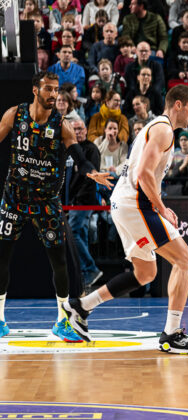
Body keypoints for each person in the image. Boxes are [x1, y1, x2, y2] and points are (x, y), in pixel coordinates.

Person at [64, 85, 188, 354]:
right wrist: (162, 207)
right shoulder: (164, 130)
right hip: (136, 204)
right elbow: (143, 174)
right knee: (185, 261)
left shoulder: (156, 128)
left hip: (126, 202)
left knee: (146, 273)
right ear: (178, 105)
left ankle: (80, 307)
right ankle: (172, 334)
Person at [0, 71, 113, 341]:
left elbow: (77, 154)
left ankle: (62, 321)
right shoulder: (14, 115)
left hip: (46, 202)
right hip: (14, 198)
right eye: (48, 89)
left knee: (59, 262)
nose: (53, 95)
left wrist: (90, 171)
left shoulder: (62, 125)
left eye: (56, 90)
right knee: (2, 257)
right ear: (35, 90)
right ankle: (0, 319)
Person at [68, 118, 104, 288]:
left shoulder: (91, 149)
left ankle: (90, 269)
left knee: (73, 232)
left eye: (81, 129)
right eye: (75, 129)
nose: (78, 132)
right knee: (80, 234)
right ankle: (84, 275)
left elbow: (91, 178)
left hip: (84, 200)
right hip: (74, 199)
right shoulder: (71, 149)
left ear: (86, 130)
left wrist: (77, 199)